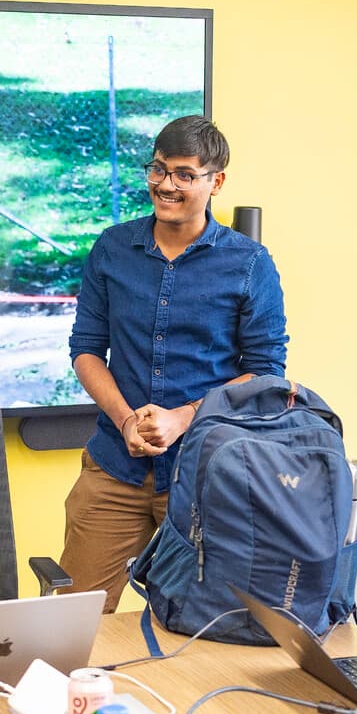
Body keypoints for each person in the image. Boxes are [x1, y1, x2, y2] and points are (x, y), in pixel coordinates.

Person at [60, 115, 289, 611]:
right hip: (114, 469)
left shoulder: (249, 263)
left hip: (205, 474)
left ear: (216, 182)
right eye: (159, 170)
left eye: (184, 175)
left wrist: (182, 417)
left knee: (199, 624)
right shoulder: (112, 248)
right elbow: (86, 348)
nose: (166, 185)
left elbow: (267, 371)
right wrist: (126, 421)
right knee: (74, 617)